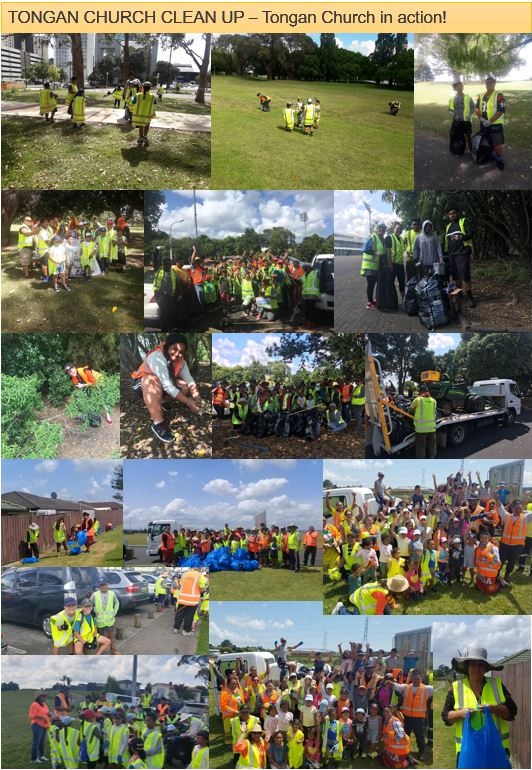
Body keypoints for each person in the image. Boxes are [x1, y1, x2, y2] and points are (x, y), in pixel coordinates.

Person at [442, 645, 517, 767]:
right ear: (467, 667)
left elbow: (512, 711)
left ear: (485, 668)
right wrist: (461, 713)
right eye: (473, 664)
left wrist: (492, 708)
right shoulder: (456, 688)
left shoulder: (496, 685)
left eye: (480, 664)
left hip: (496, 748)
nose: (477, 668)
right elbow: (445, 716)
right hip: (468, 751)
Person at [131, 333, 201, 444]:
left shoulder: (181, 361)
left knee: (184, 386)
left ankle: (161, 402)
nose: (178, 354)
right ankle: (158, 423)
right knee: (152, 380)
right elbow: (168, 386)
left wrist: (197, 397)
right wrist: (188, 401)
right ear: (167, 346)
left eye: (181, 352)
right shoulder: (157, 356)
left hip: (162, 384)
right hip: (143, 383)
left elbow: (189, 380)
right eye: (175, 349)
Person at [394, 668, 431, 757]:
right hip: (406, 717)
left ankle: (421, 752)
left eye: (418, 679)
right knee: (405, 734)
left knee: (419, 735)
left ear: (421, 679)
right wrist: (389, 682)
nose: (416, 681)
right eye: (414, 679)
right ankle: (404, 750)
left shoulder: (427, 689)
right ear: (412, 679)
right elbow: (397, 686)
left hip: (419, 718)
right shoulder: (406, 687)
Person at [443, 207, 476, 308]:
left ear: (457, 214)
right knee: (456, 276)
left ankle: (469, 296)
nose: (452, 215)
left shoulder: (463, 221)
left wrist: (461, 237)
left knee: (465, 274)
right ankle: (459, 294)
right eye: (450, 214)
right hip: (451, 254)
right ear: (448, 216)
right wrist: (445, 254)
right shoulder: (448, 226)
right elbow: (446, 242)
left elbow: (471, 233)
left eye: (454, 213)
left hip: (462, 252)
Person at [475, 75, 506, 170]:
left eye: (490, 82)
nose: (488, 84)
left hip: (495, 124)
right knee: (486, 140)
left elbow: (500, 110)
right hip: (483, 123)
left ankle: (499, 159)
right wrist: (480, 118)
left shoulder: (499, 95)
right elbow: (476, 108)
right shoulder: (481, 95)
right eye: (487, 83)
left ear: (494, 84)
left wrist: (489, 121)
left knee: (497, 143)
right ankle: (490, 154)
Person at [90, 578, 121, 655]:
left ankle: (113, 649)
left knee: (111, 636)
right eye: (101, 585)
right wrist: (94, 610)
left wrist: (115, 611)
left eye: (105, 585)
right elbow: (89, 604)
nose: (103, 587)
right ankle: (101, 652)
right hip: (99, 621)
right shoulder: (95, 594)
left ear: (108, 585)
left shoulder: (112, 594)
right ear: (99, 586)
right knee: (101, 638)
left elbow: (117, 603)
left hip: (110, 620)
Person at [173, 568, 207, 635]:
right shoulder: (200, 576)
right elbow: (202, 589)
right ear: (198, 569)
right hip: (192, 600)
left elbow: (180, 585)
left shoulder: (184, 574)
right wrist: (203, 591)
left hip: (182, 598)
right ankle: (186, 631)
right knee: (189, 616)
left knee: (179, 614)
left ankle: (176, 628)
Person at [361, 221, 386, 309]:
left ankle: (373, 300)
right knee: (371, 285)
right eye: (380, 228)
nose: (382, 229)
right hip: (370, 266)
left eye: (383, 228)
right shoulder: (372, 237)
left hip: (376, 267)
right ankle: (369, 303)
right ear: (377, 228)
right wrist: (375, 252)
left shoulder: (381, 239)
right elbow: (364, 249)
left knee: (376, 284)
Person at [409, 386, 437, 459]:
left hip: (421, 429)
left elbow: (411, 410)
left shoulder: (418, 399)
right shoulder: (434, 401)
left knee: (421, 446)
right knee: (432, 445)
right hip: (432, 428)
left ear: (421, 392)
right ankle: (432, 457)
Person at [449, 81, 475, 153]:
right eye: (458, 86)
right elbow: (450, 109)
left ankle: (470, 149)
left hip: (466, 121)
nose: (460, 87)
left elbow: (473, 107)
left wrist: (469, 115)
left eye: (461, 86)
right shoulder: (452, 98)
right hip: (457, 121)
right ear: (455, 88)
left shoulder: (468, 97)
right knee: (458, 135)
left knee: (468, 135)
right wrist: (454, 115)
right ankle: (459, 149)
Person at [132, 82, 156, 147]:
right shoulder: (153, 96)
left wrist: (132, 97)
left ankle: (140, 138)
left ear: (143, 87)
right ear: (150, 88)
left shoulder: (138, 95)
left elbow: (133, 102)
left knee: (141, 126)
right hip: (148, 114)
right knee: (147, 125)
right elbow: (154, 103)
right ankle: (145, 136)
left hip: (139, 114)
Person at [29, 692, 51, 764]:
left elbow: (46, 712)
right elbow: (31, 716)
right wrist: (41, 717)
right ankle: (34, 759)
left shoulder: (44, 704)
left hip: (44, 725)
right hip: (37, 725)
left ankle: (41, 756)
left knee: (41, 742)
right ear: (38, 697)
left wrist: (49, 714)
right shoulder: (34, 705)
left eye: (44, 697)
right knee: (36, 742)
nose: (44, 698)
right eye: (42, 697)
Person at [386, 222, 405, 300]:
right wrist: (390, 264)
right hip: (393, 265)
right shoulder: (389, 238)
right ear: (393, 229)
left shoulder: (401, 239)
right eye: (397, 228)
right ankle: (390, 300)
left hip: (400, 265)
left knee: (402, 284)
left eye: (400, 229)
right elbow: (388, 252)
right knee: (390, 283)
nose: (399, 230)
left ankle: (404, 300)